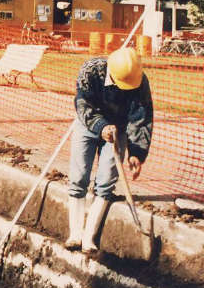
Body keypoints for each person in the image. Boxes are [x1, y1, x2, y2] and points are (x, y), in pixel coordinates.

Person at [66, 47, 154, 253]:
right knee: (79, 177)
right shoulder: (91, 70)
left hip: (119, 129)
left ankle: (89, 238)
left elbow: (141, 119)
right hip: (88, 125)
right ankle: (75, 233)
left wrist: (136, 153)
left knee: (106, 182)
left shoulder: (138, 80)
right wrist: (101, 126)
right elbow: (82, 104)